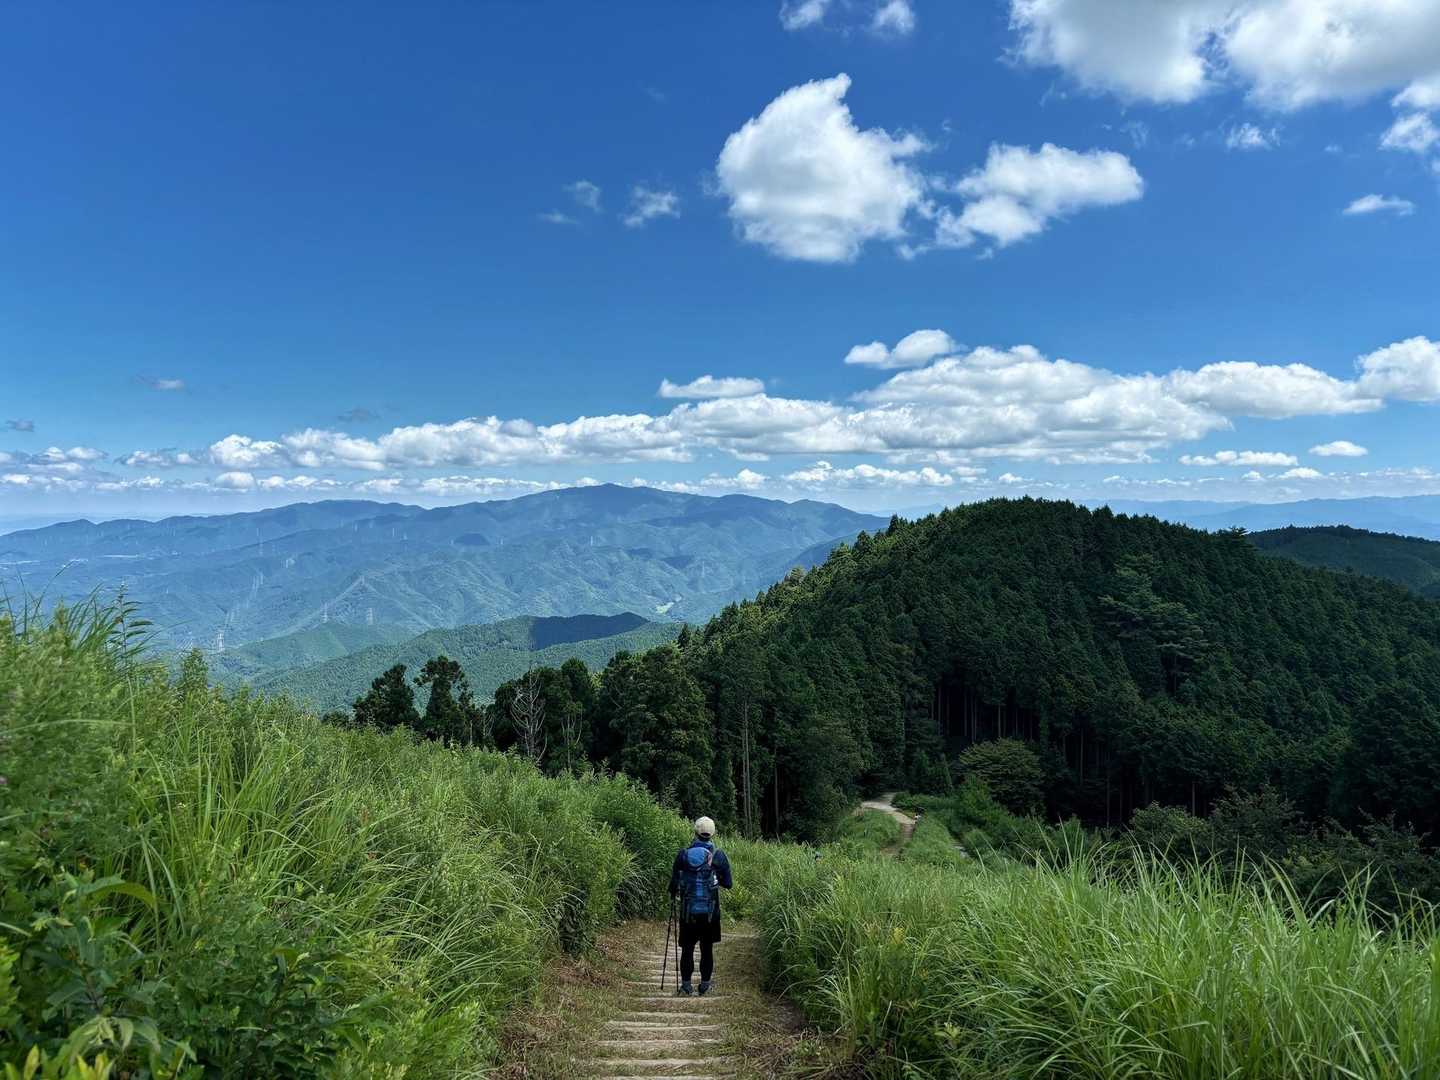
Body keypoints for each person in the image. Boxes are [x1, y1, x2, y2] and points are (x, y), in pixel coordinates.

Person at [668, 815, 733, 996]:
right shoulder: (718, 856)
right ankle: (704, 986)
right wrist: (715, 878)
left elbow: (673, 885)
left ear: (695, 832)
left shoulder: (683, 855)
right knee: (707, 949)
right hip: (710, 913)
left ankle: (686, 986)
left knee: (687, 949)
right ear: (712, 834)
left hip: (688, 911)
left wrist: (676, 892)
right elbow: (728, 884)